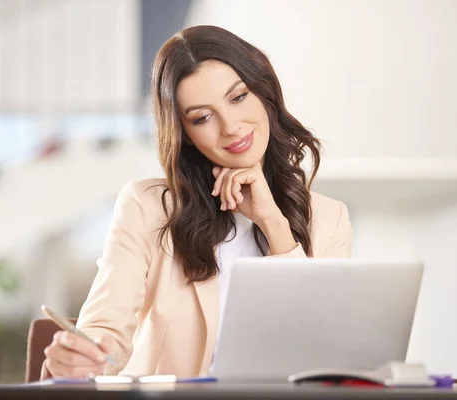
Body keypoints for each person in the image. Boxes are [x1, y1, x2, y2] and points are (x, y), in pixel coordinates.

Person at [42, 25, 352, 380]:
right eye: (202, 117)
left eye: (238, 97)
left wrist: (273, 223)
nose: (231, 127)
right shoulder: (147, 207)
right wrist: (87, 354)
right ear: (185, 135)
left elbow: (324, 350)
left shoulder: (330, 219)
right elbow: (105, 329)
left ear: (265, 93)